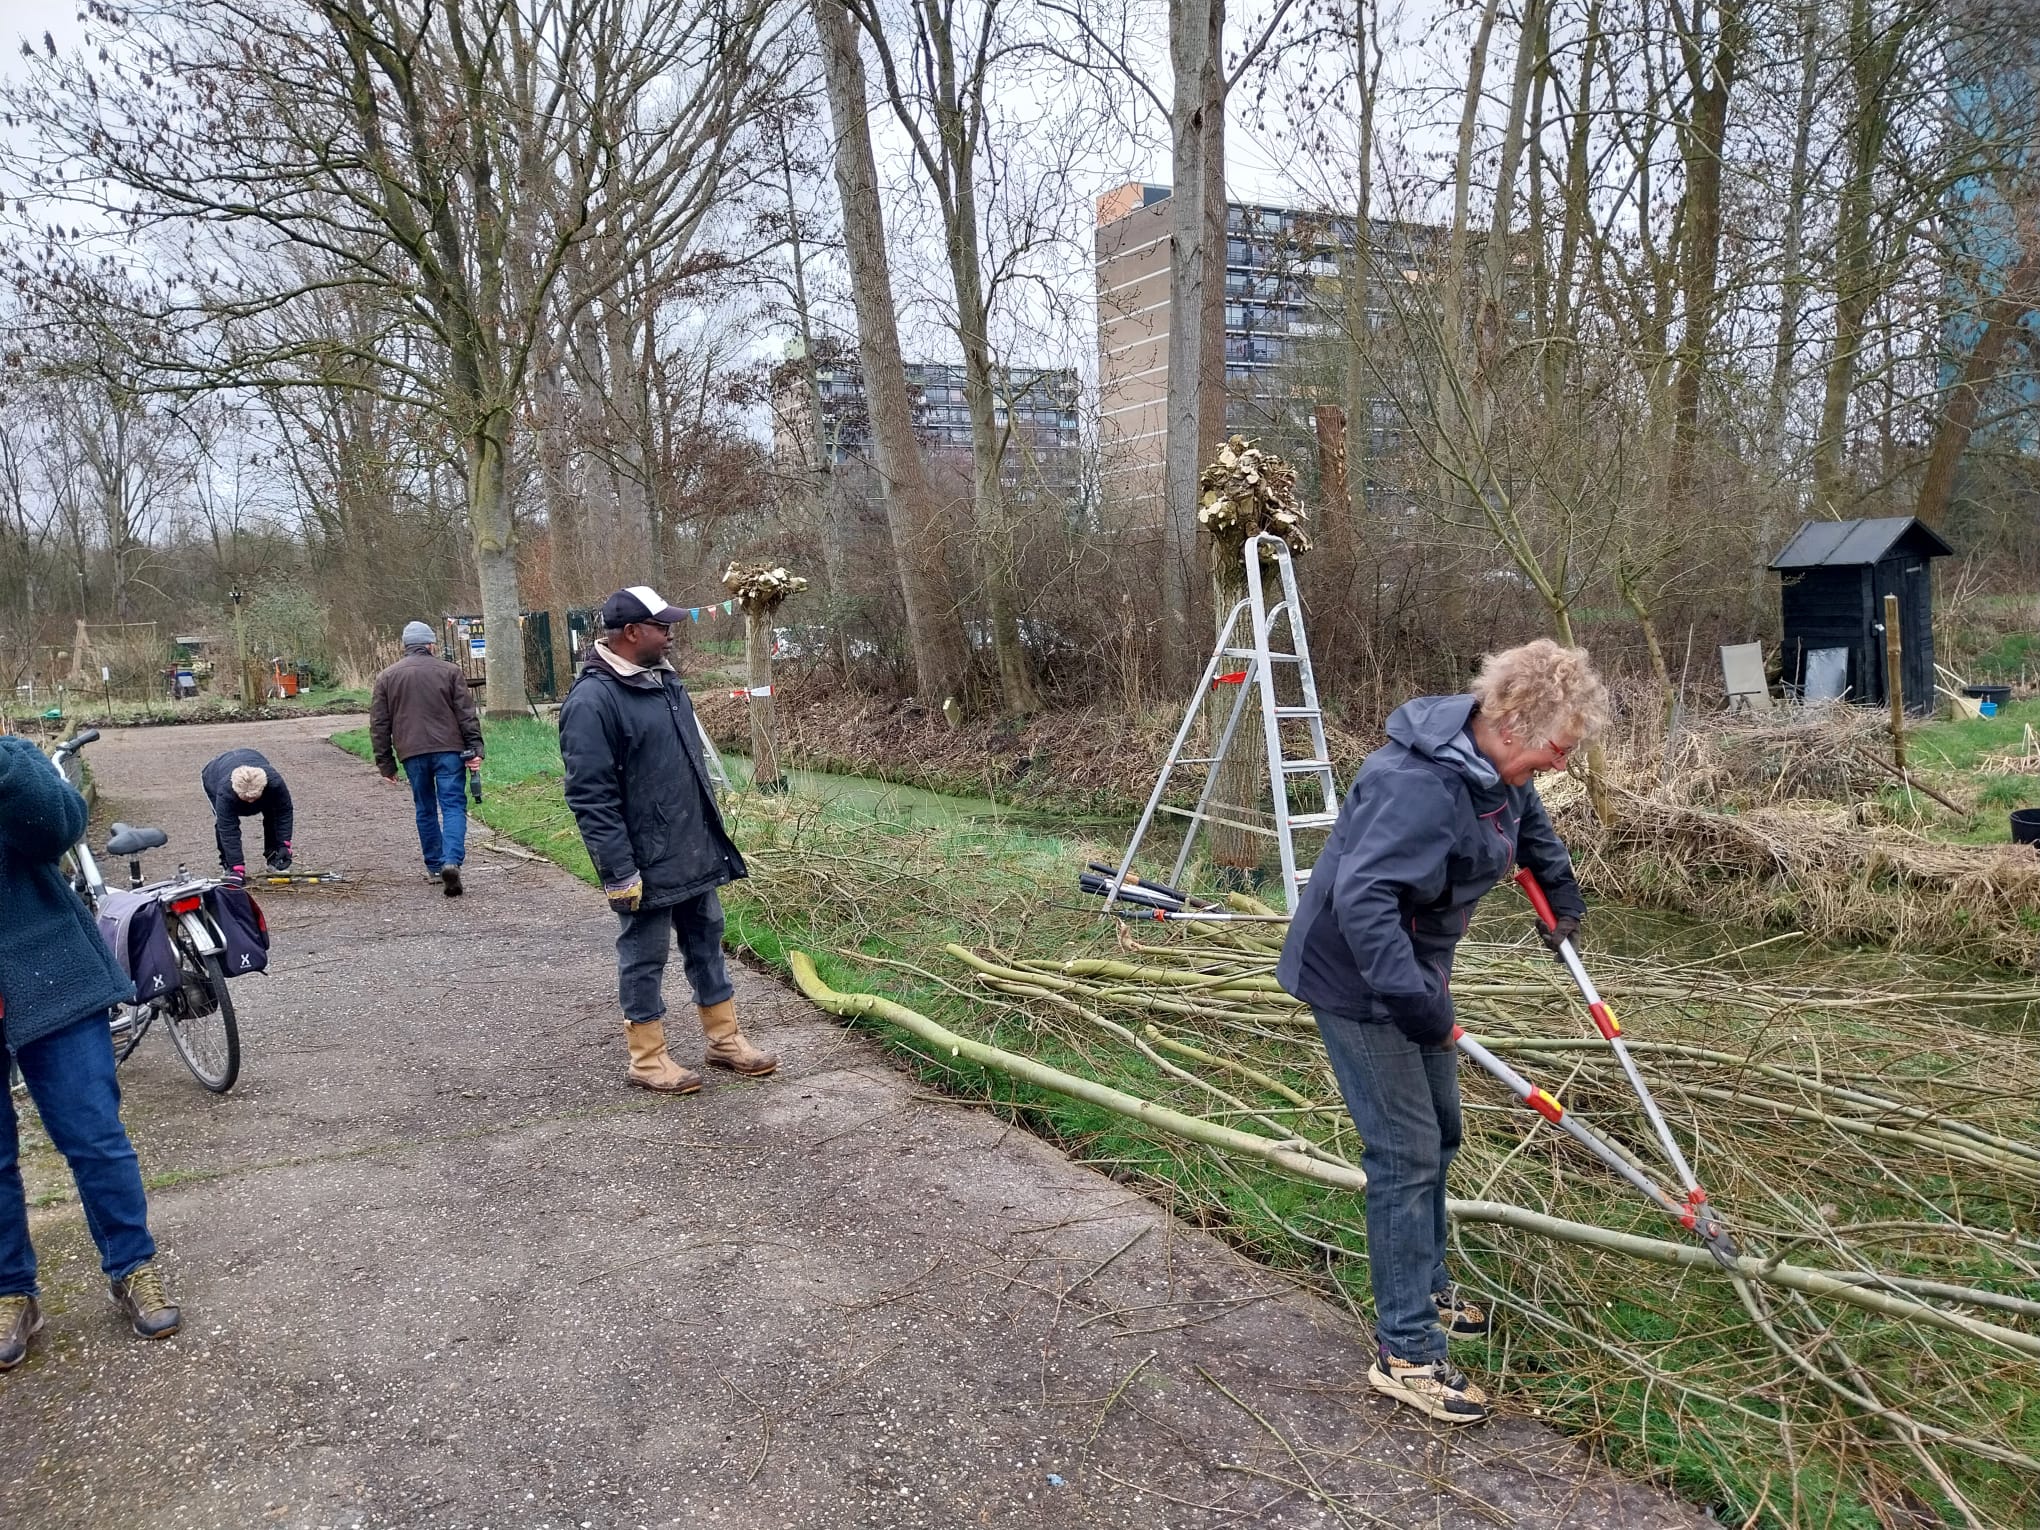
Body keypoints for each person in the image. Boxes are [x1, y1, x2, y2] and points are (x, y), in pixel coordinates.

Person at [1276, 639, 1610, 1426]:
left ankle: (1424, 1285)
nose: (1557, 766)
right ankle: (1407, 1351)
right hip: (1361, 981)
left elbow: (1527, 828)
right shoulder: (1415, 786)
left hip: (1414, 972)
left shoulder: (1495, 772)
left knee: (1442, 1132)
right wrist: (1417, 1003)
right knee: (1404, 1153)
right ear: (1511, 720)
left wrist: (1559, 903)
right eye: (1555, 750)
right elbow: (1364, 904)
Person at [0, 731, 181, 1369]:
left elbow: (60, 829)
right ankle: (11, 1290)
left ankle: (132, 1266)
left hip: (51, 978)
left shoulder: (13, 759)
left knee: (94, 1136)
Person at [560, 586, 776, 1093]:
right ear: (632, 632)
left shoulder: (666, 684)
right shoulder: (592, 701)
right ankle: (648, 1057)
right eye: (662, 626)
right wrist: (619, 871)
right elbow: (591, 797)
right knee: (644, 956)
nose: (672, 633)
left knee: (707, 943)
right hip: (642, 861)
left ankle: (724, 1040)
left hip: (693, 847)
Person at [369, 620, 484, 897]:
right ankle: (452, 860)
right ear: (431, 645)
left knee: (425, 808)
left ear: (406, 646)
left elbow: (379, 724)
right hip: (449, 750)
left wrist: (386, 763)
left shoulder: (387, 677)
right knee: (453, 805)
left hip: (412, 752)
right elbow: (466, 715)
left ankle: (434, 867)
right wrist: (475, 749)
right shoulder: (450, 671)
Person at [199, 748, 295, 883]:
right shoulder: (225, 792)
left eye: (254, 798)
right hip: (215, 773)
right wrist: (237, 867)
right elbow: (228, 829)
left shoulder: (275, 783)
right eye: (246, 799)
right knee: (221, 823)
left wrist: (284, 845)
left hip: (255, 772)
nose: (250, 802)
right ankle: (229, 866)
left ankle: (275, 858)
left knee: (273, 814)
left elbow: (284, 813)